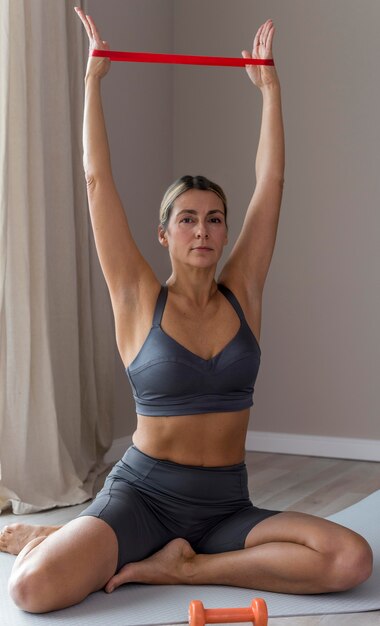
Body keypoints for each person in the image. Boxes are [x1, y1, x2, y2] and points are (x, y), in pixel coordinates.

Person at [1, 8, 372, 614]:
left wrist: (270, 90)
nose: (203, 230)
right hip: (141, 499)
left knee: (350, 557)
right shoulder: (137, 297)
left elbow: (270, 183)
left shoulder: (243, 291)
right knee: (30, 589)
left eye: (215, 218)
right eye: (187, 219)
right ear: (164, 234)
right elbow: (97, 181)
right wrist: (92, 83)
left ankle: (186, 567)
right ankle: (57, 537)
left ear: (226, 233)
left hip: (226, 506)